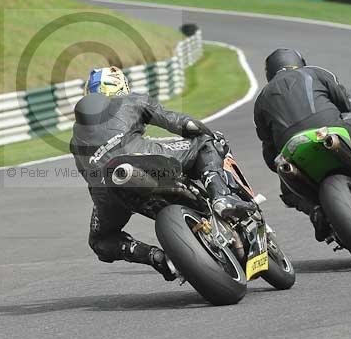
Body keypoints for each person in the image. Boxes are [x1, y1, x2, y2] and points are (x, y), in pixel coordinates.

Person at [70, 66, 253, 281]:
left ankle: (154, 256)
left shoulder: (75, 139)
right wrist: (205, 132)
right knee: (206, 142)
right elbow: (184, 123)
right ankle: (221, 196)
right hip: (144, 159)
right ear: (121, 85)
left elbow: (89, 178)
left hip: (106, 189)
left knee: (100, 241)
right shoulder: (132, 99)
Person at [253, 49, 351, 241]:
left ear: (269, 73)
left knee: (288, 192)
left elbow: (268, 150)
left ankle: (316, 212)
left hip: (292, 148)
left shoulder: (261, 100)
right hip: (330, 130)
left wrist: (279, 165)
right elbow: (349, 104)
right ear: (300, 62)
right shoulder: (315, 72)